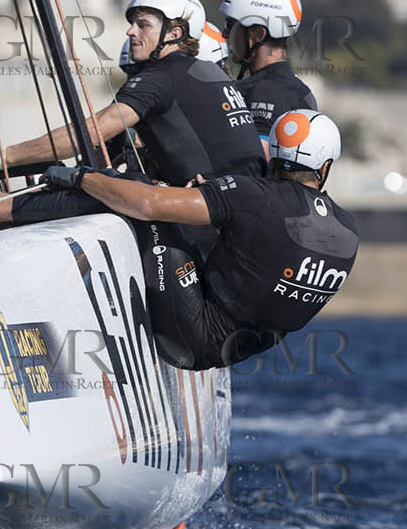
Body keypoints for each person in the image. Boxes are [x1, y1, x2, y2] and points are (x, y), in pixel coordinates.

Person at [39, 109, 358, 370]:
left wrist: (83, 178)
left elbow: (149, 204)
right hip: (234, 352)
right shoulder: (347, 230)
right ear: (325, 166)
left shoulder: (254, 196)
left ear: (273, 153)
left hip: (191, 339)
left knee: (136, 190)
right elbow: (263, 261)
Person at [0, 0, 264, 229]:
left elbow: (88, 133)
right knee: (111, 181)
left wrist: (3, 157)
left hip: (212, 215)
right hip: (237, 210)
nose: (130, 30)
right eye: (132, 22)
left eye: (142, 24)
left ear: (175, 32)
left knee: (109, 189)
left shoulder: (162, 76)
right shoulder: (203, 70)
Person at [219, 0, 317, 156]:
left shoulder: (264, 93)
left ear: (258, 34)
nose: (224, 33)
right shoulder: (301, 92)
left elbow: (254, 161)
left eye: (230, 25)